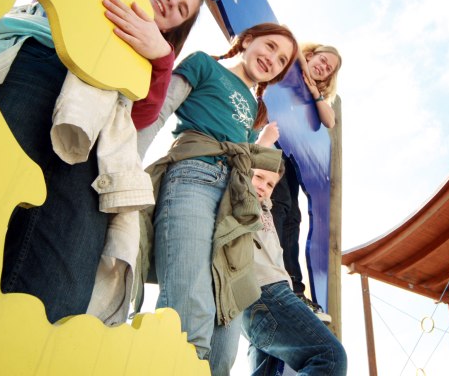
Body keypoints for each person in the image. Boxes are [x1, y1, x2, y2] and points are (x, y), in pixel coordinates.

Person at [0, 0, 205, 323]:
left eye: (181, 9)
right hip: (39, 60)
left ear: (173, 28)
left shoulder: (154, 58)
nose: (170, 1)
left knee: (64, 276)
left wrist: (161, 59)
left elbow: (141, 117)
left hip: (102, 130)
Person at [141, 22, 299, 375]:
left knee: (226, 335)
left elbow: (244, 163)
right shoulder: (203, 64)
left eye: (282, 59)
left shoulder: (253, 107)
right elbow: (160, 108)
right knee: (190, 317)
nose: (273, 59)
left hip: (232, 203)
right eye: (270, 46)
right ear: (246, 41)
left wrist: (261, 143)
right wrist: (125, 162)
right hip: (193, 178)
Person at [242, 165, 347, 376]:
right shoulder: (241, 198)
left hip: (260, 300)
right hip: (265, 292)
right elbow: (241, 170)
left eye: (270, 184)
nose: (263, 187)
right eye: (259, 177)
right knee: (329, 357)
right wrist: (268, 140)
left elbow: (288, 216)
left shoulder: (265, 209)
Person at [269, 43, 342, 321]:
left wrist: (314, 91)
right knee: (279, 204)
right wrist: (304, 66)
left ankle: (294, 286)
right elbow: (289, 36)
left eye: (329, 68)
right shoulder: (290, 68)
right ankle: (277, 277)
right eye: (322, 60)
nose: (323, 67)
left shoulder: (313, 97)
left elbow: (331, 120)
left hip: (292, 159)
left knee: (294, 217)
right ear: (310, 55)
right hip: (271, 144)